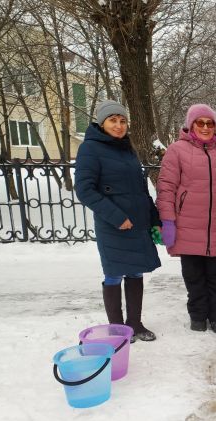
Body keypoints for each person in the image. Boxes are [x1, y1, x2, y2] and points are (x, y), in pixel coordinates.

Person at [75, 100, 161, 342]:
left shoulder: (127, 149)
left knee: (135, 273)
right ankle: (116, 328)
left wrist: (154, 219)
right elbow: (84, 189)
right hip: (113, 225)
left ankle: (135, 324)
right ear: (102, 123)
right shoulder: (90, 149)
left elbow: (142, 191)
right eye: (113, 120)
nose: (119, 125)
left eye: (122, 121)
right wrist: (117, 217)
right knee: (114, 274)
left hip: (137, 224)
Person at [156, 104, 216, 333]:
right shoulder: (177, 150)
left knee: (214, 274)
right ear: (191, 125)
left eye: (210, 123)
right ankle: (197, 315)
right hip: (187, 224)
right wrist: (168, 221)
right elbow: (166, 188)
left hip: (215, 227)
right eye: (200, 123)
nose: (205, 127)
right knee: (193, 275)